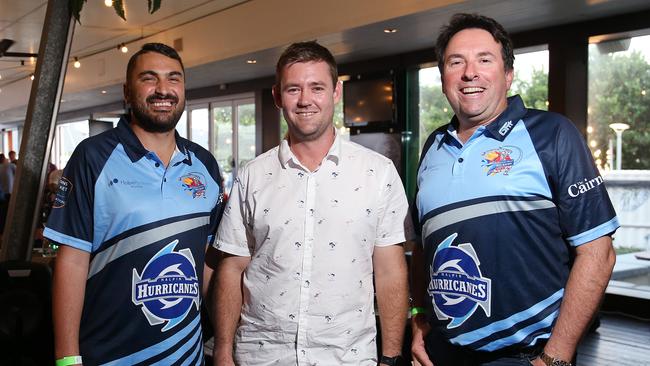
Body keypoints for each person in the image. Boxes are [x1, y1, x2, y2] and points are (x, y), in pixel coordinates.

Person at [410, 13, 619, 366]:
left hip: (525, 357)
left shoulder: (552, 134)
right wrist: (417, 317)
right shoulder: (434, 146)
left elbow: (599, 253)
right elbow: (421, 248)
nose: (469, 73)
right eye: (456, 61)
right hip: (441, 353)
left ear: (508, 74)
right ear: (443, 76)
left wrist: (556, 357)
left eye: (484, 60)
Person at [212, 41, 412, 366]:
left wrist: (390, 357)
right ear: (278, 96)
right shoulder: (252, 176)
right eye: (294, 89)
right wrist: (222, 351)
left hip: (348, 357)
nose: (305, 100)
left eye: (317, 87)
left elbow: (390, 270)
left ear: (336, 92)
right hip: (261, 356)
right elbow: (232, 267)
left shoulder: (378, 173)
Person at [44, 43, 224, 366]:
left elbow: (210, 265)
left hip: (186, 356)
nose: (163, 89)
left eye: (174, 79)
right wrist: (66, 359)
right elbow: (70, 263)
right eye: (149, 78)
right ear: (127, 92)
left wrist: (223, 343)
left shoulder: (205, 166)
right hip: (110, 356)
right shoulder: (92, 158)